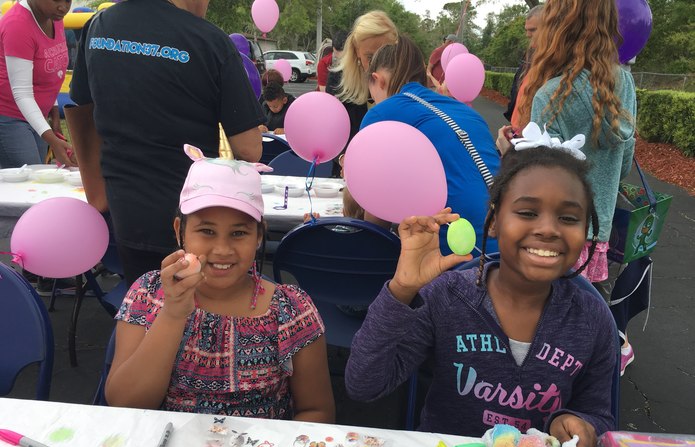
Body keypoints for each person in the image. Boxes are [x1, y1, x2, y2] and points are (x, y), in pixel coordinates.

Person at [346, 144, 617, 447]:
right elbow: (363, 384)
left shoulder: (592, 319)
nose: (548, 228)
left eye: (568, 218)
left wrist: (580, 426)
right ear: (493, 221)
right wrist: (402, 290)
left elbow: (600, 418)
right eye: (528, 212)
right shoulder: (446, 298)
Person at [105, 145, 335, 422]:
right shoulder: (148, 294)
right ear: (180, 231)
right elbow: (124, 404)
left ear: (259, 236)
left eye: (239, 233)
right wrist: (174, 312)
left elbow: (317, 410)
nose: (223, 249)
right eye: (207, 231)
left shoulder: (291, 310)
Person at [70, 0, 264, 286]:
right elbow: (249, 148)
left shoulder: (98, 26)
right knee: (193, 314)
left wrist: (97, 194)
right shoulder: (210, 40)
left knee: (143, 306)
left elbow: (81, 110)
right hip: (194, 217)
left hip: (126, 209)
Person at [498, 0, 636, 373]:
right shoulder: (624, 83)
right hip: (597, 230)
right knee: (586, 324)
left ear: (557, 28)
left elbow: (539, 178)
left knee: (541, 324)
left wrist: (511, 149)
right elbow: (623, 164)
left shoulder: (552, 95)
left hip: (552, 234)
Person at [361, 36, 500, 254]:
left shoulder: (381, 114)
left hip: (456, 257)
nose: (375, 102)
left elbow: (375, 222)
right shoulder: (467, 112)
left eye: (372, 98)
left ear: (379, 80)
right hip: (507, 247)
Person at [0, 0, 77, 168]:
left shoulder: (54, 17)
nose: (63, 7)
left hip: (37, 115)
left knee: (38, 176)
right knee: (28, 179)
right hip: (9, 116)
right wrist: (52, 140)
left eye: (68, 0)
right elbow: (22, 93)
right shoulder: (17, 26)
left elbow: (51, 72)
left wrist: (54, 115)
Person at [333, 10, 398, 140]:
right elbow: (333, 130)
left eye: (385, 55)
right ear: (357, 51)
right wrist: (342, 156)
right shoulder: (337, 81)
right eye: (370, 57)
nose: (377, 64)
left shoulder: (404, 79)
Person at [503, 5, 542, 123]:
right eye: (526, 30)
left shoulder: (556, 62)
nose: (528, 35)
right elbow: (516, 88)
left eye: (533, 30)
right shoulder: (528, 55)